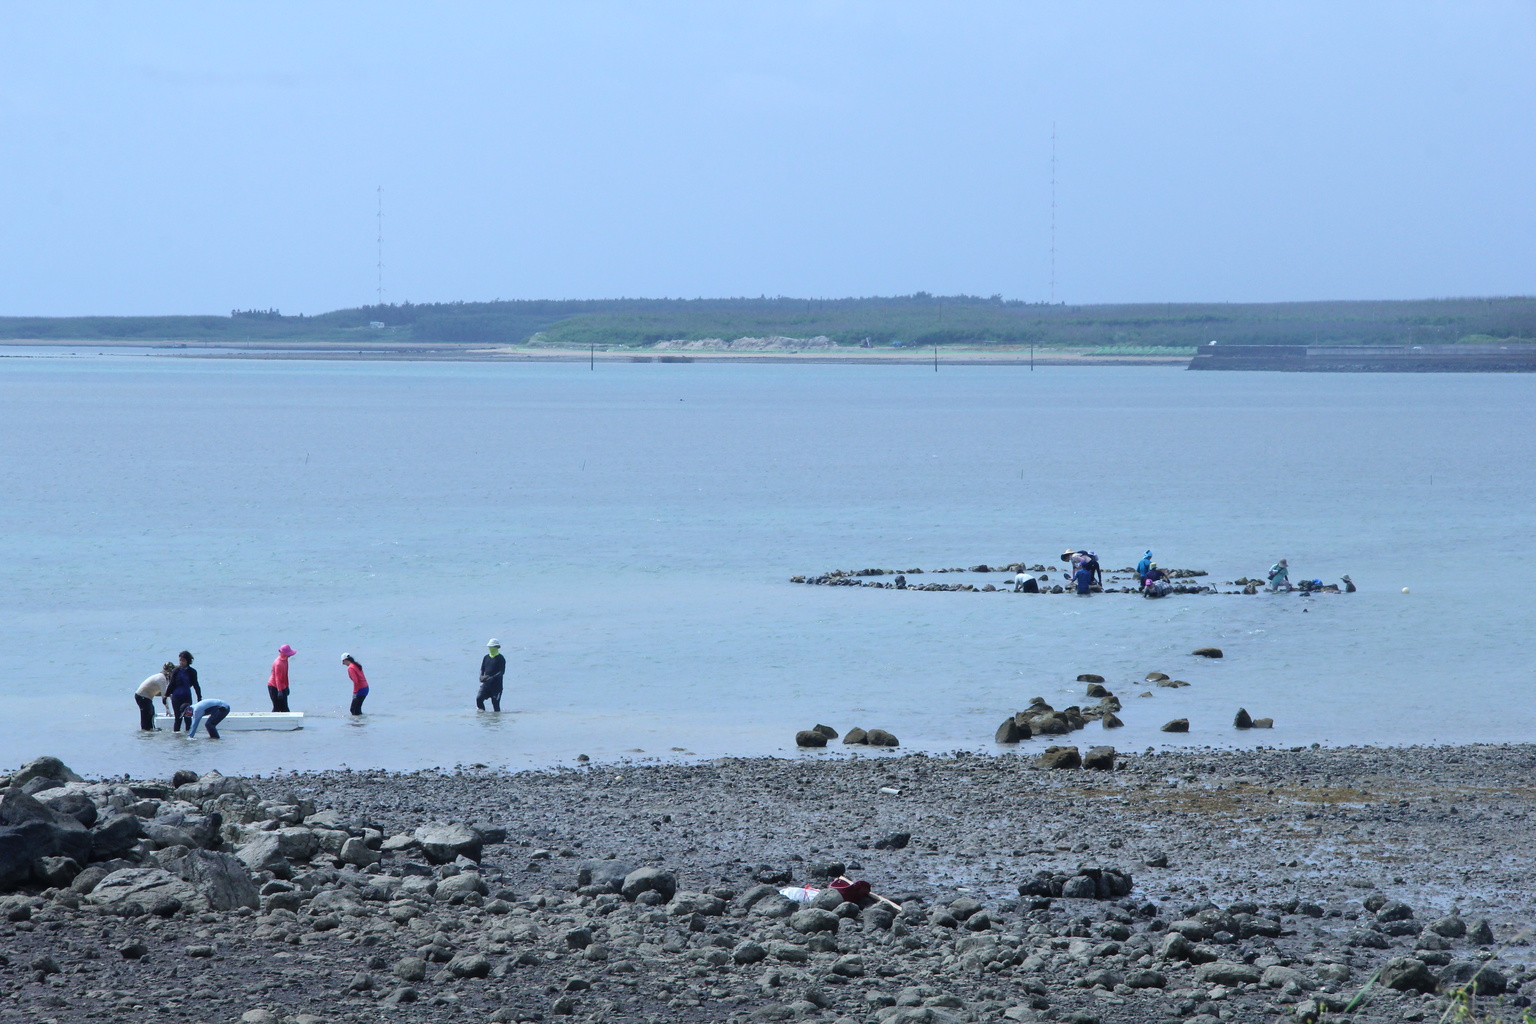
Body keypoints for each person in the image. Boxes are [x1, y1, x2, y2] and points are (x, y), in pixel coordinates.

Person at [167, 651, 202, 733]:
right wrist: (166, 696)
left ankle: (188, 736)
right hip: (176, 697)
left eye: (183, 661)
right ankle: (177, 737)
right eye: (180, 660)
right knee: (178, 718)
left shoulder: (192, 672)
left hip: (186, 697)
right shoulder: (176, 671)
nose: (181, 662)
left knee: (188, 718)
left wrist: (199, 697)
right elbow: (171, 684)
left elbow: (196, 685)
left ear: (188, 661)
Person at [135, 662, 175, 731]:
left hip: (145, 696)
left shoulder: (160, 677)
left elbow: (163, 693)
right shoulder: (162, 679)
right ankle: (145, 732)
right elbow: (164, 698)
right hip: (142, 697)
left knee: (151, 712)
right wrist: (168, 710)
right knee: (146, 715)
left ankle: (150, 730)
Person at [478, 639, 506, 712]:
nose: (490, 648)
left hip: (496, 686)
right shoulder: (486, 657)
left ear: (497, 647)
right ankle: (482, 715)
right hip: (486, 684)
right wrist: (481, 676)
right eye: (489, 647)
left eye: (492, 647)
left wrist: (492, 678)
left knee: (495, 704)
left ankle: (496, 720)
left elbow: (501, 672)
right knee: (479, 698)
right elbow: (482, 669)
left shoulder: (501, 658)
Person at [268, 644, 296, 712]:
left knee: (284, 708)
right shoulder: (278, 663)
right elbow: (277, 678)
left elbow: (285, 675)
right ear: (284, 654)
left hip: (282, 686)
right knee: (277, 707)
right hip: (274, 686)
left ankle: (288, 721)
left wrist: (287, 686)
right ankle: (271, 721)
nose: (290, 655)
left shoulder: (285, 661)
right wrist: (279, 691)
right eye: (288, 654)